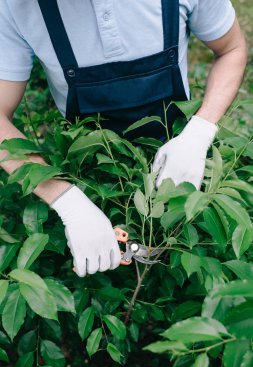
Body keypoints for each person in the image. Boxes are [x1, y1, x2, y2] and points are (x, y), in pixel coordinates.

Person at [0, 0, 247, 277]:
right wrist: (64, 198)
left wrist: (199, 132)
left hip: (184, 165)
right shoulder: (16, 6)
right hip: (86, 177)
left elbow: (232, 49)